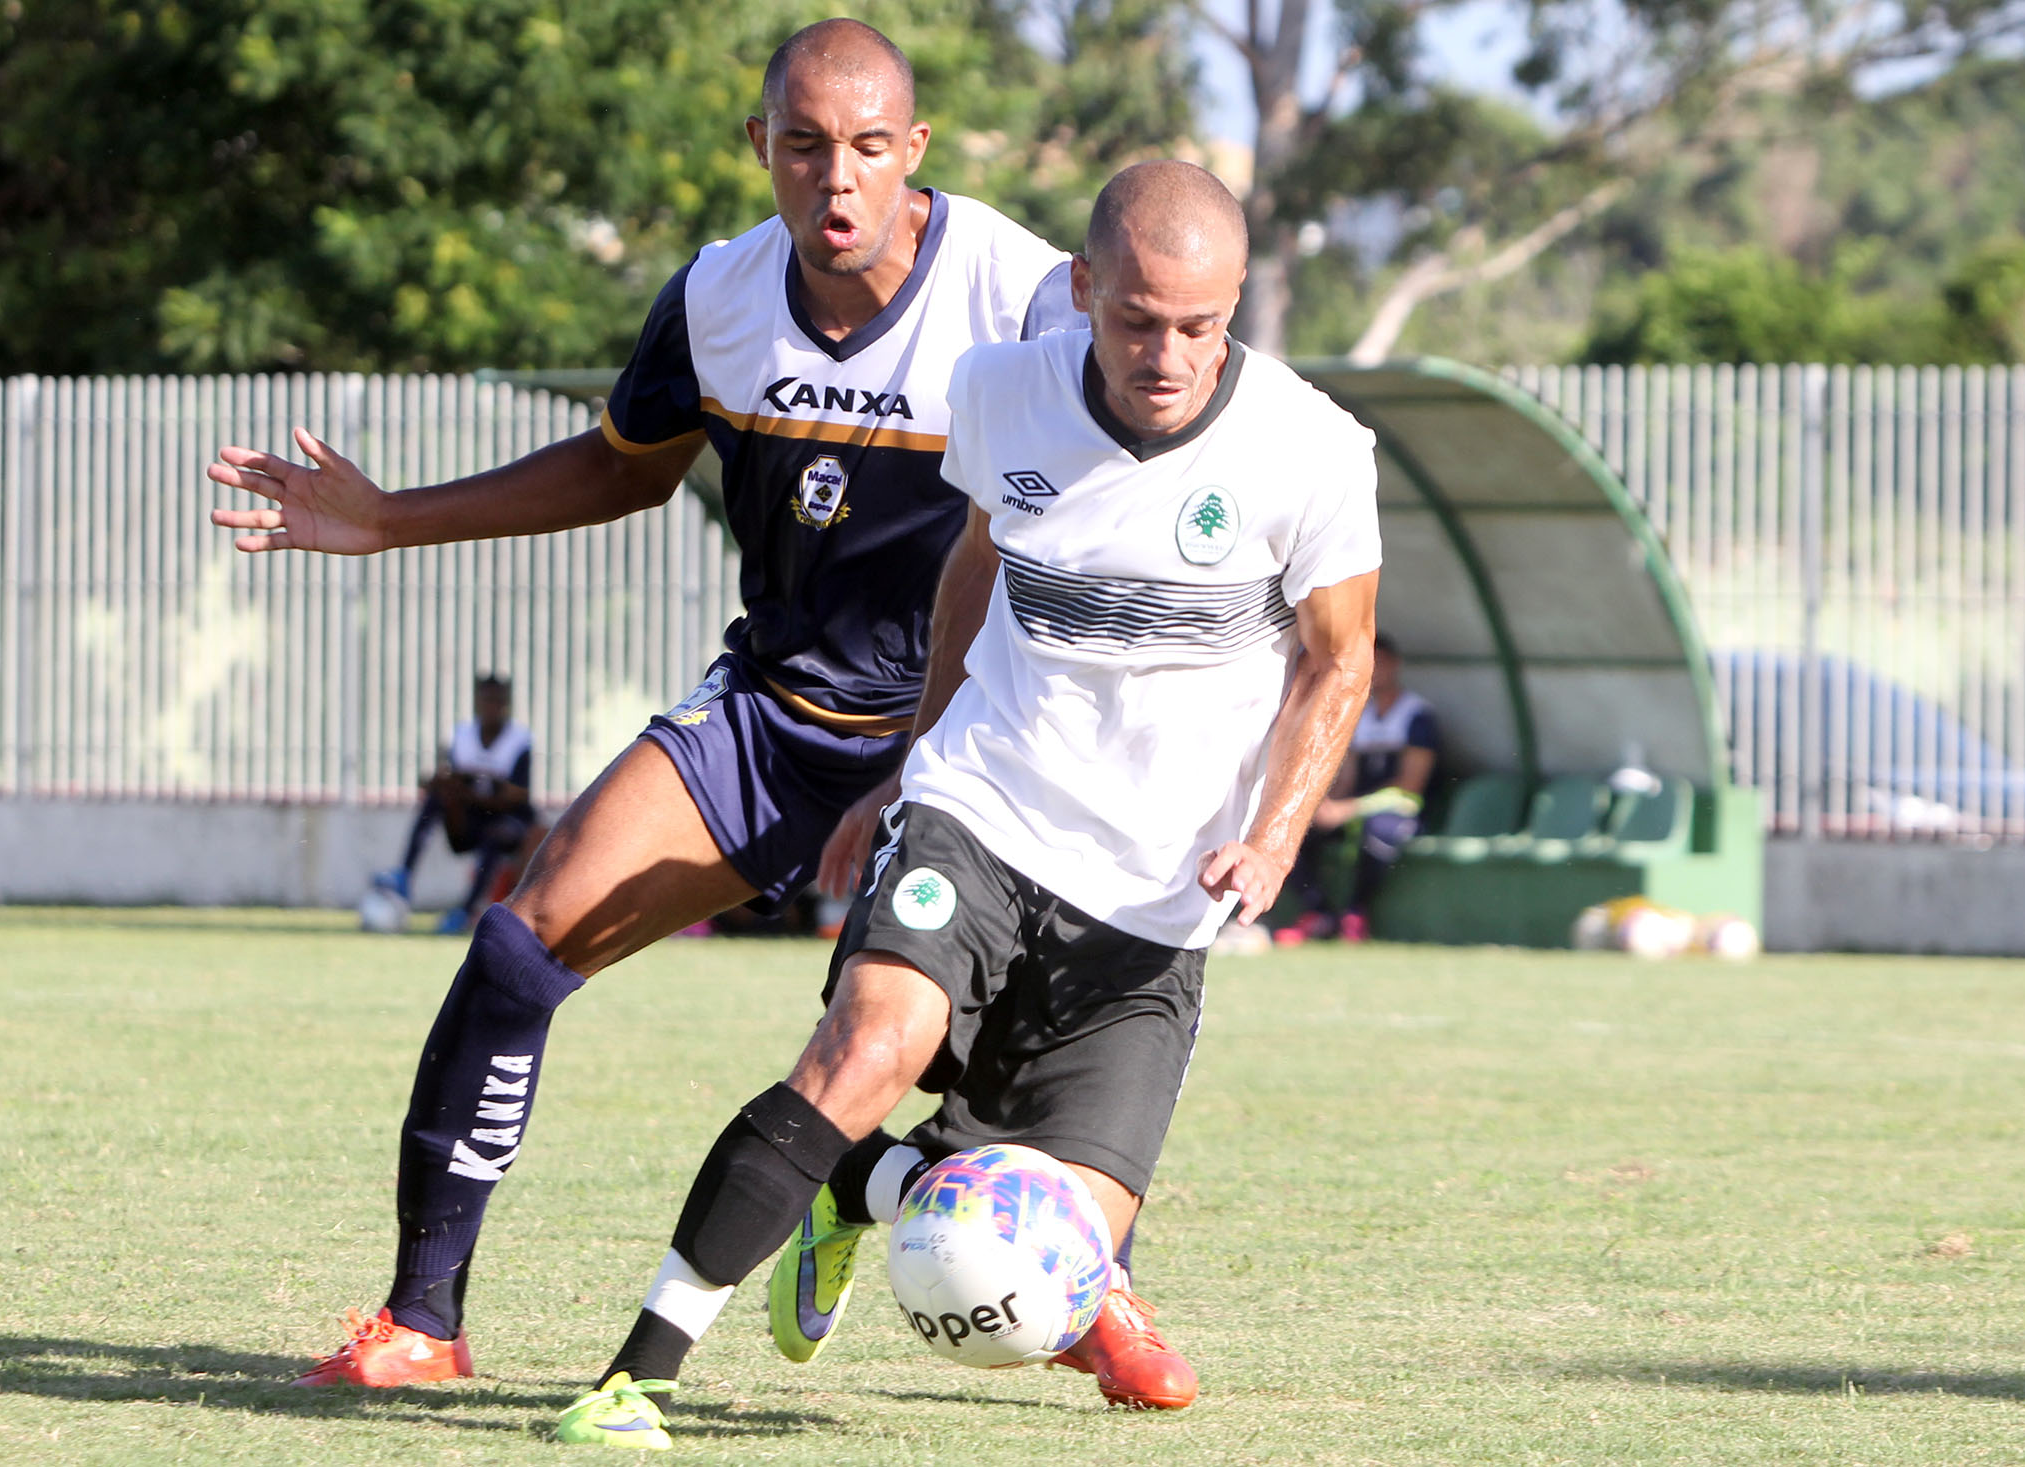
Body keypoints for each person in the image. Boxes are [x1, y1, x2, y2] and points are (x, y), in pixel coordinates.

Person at [203, 18, 1136, 1396]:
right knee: (521, 946)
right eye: (806, 145)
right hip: (775, 717)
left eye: (871, 147)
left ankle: (1097, 1282)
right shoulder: (717, 297)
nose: (839, 179)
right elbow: (621, 467)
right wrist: (392, 518)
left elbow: (1122, 481)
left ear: (915, 150)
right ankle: (421, 1319)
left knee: (999, 1059)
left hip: (968, 737)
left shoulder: (1021, 292)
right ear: (761, 145)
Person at [551, 159, 1382, 1449]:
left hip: (1156, 895)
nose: (1167, 355)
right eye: (1136, 321)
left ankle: (864, 1183)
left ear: (1235, 312)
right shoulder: (1000, 391)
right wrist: (914, 759)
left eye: (1200, 327)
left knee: (1050, 1269)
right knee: (863, 1049)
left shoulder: (1313, 450)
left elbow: (1341, 660)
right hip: (984, 810)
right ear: (1083, 290)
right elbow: (975, 560)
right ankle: (637, 1374)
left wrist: (1272, 836)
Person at [1273, 633, 1437, 944]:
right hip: (1355, 808)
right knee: (1295, 830)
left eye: (1381, 663)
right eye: (1369, 663)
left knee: (1378, 832)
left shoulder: (1416, 716)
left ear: (1395, 665)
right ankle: (1318, 913)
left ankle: (1355, 914)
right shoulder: (1359, 713)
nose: (1374, 671)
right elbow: (1346, 777)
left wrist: (1349, 809)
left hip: (1400, 809)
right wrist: (1325, 805)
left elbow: (1410, 785)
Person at [375, 675, 538, 936]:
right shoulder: (462, 735)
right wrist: (444, 783)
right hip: (470, 822)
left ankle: (465, 910)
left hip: (509, 823)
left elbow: (518, 795)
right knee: (436, 799)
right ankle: (403, 875)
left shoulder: (519, 740)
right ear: (477, 702)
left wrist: (478, 785)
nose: (491, 707)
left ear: (506, 704)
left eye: (498, 701)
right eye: (486, 700)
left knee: (496, 833)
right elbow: (447, 778)